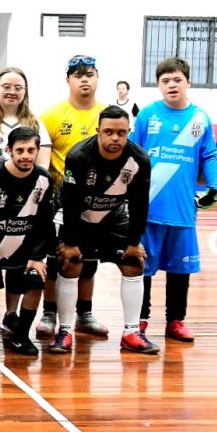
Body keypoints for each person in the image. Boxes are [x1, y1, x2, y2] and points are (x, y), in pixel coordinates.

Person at [50, 106, 155, 355]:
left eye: (121, 132)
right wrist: (71, 242)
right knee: (71, 262)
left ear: (129, 132)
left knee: (134, 262)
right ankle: (64, 330)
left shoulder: (139, 160)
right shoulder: (79, 157)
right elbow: (71, 203)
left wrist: (134, 241)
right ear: (98, 131)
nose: (115, 139)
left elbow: (140, 204)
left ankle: (131, 332)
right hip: (78, 216)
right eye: (108, 132)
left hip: (114, 215)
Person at [130, 57, 217, 342]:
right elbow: (132, 155)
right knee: (141, 267)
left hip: (182, 209)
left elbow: (208, 156)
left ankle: (176, 321)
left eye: (177, 80)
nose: (171, 85)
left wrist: (214, 187)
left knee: (181, 269)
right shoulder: (147, 115)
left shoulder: (200, 118)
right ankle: (139, 320)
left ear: (188, 82)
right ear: (158, 85)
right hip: (148, 208)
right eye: (165, 81)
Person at [37, 55, 107, 339]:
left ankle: (84, 313)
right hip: (61, 202)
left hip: (96, 203)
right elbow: (44, 161)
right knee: (57, 260)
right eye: (78, 75)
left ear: (97, 77)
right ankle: (49, 312)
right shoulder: (52, 116)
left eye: (89, 74)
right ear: (68, 80)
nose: (84, 79)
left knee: (89, 261)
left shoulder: (107, 115)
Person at [0, 127, 55, 356]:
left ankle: (21, 335)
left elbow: (44, 223)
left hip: (26, 248)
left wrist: (37, 257)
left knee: (35, 279)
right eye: (20, 150)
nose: (26, 155)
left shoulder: (44, 179)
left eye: (31, 150)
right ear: (9, 150)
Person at [0, 67, 52, 165]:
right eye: (6, 87)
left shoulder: (36, 124)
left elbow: (42, 167)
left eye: (18, 88)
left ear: (25, 91)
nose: (12, 92)